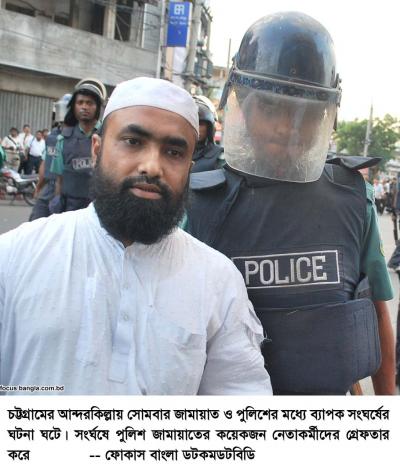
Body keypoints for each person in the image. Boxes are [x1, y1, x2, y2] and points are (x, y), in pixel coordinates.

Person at [0, 77, 271, 396]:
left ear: (189, 167)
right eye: (132, 142)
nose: (152, 166)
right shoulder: (16, 256)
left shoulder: (218, 281)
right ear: (97, 149)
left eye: (173, 152)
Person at [186, 12, 396, 395]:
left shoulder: (353, 198)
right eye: (270, 108)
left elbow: (375, 312)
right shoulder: (196, 204)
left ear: (326, 118)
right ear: (242, 104)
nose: (287, 127)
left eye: (306, 113)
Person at [50, 79, 106, 213]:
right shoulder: (63, 140)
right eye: (80, 102)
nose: (84, 107)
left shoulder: (107, 137)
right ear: (74, 107)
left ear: (97, 107)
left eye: (89, 103)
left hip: (98, 209)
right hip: (70, 209)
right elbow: (59, 179)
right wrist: (57, 205)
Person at [191, 96, 224, 173]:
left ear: (210, 128)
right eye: (191, 122)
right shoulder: (173, 152)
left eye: (200, 123)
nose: (195, 127)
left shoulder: (220, 157)